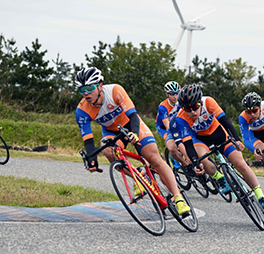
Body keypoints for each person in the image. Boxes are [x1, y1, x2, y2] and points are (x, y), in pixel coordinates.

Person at [74, 67, 191, 217]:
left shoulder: (115, 91)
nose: (85, 93)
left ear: (100, 85)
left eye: (89, 88)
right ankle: (140, 174)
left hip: (132, 124)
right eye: (81, 90)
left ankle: (178, 198)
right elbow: (88, 142)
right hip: (112, 131)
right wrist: (91, 160)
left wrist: (134, 134)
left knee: (154, 158)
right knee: (107, 150)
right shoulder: (82, 110)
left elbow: (133, 116)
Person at [174, 84, 264, 211]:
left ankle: (261, 196)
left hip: (219, 134)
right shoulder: (180, 118)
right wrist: (195, 163)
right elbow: (188, 144)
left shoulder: (208, 102)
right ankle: (219, 177)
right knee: (201, 157)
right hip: (200, 139)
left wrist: (236, 140)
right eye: (187, 109)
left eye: (195, 107)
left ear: (200, 102)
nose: (192, 111)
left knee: (240, 164)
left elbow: (225, 122)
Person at [155, 81, 190, 169]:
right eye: (172, 94)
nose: (175, 97)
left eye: (177, 93)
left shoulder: (180, 102)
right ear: (167, 95)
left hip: (176, 123)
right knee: (172, 144)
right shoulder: (163, 107)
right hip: (163, 127)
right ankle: (178, 162)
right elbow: (167, 126)